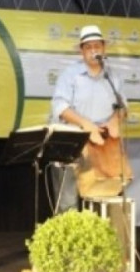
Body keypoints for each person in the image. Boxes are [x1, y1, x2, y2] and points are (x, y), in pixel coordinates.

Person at [49, 24, 129, 213]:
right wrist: (87, 125)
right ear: (81, 51)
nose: (93, 51)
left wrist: (115, 120)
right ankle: (71, 242)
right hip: (72, 142)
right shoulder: (70, 75)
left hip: (102, 145)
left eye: (97, 46)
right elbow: (60, 107)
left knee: (106, 195)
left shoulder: (112, 76)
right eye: (88, 47)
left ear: (103, 48)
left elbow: (123, 107)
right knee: (67, 201)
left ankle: (103, 239)